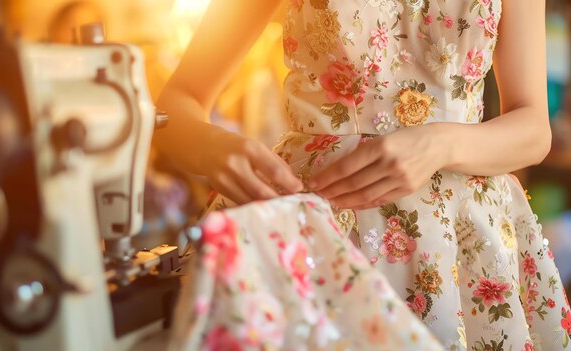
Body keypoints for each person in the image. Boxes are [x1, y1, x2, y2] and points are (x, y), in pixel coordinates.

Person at [154, 0, 571, 350]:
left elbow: (534, 129)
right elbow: (177, 100)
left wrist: (441, 144)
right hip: (316, 226)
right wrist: (212, 149)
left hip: (463, 246)